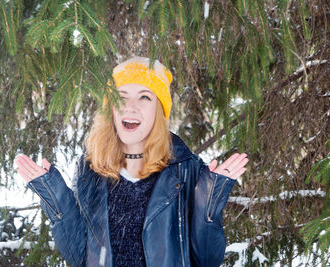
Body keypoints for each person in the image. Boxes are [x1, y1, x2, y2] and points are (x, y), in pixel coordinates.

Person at [16, 56, 248, 267]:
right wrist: (55, 197)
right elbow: (80, 257)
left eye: (145, 97)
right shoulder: (91, 168)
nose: (130, 107)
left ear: (159, 109)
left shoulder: (186, 169)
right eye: (122, 97)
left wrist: (210, 200)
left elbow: (207, 260)